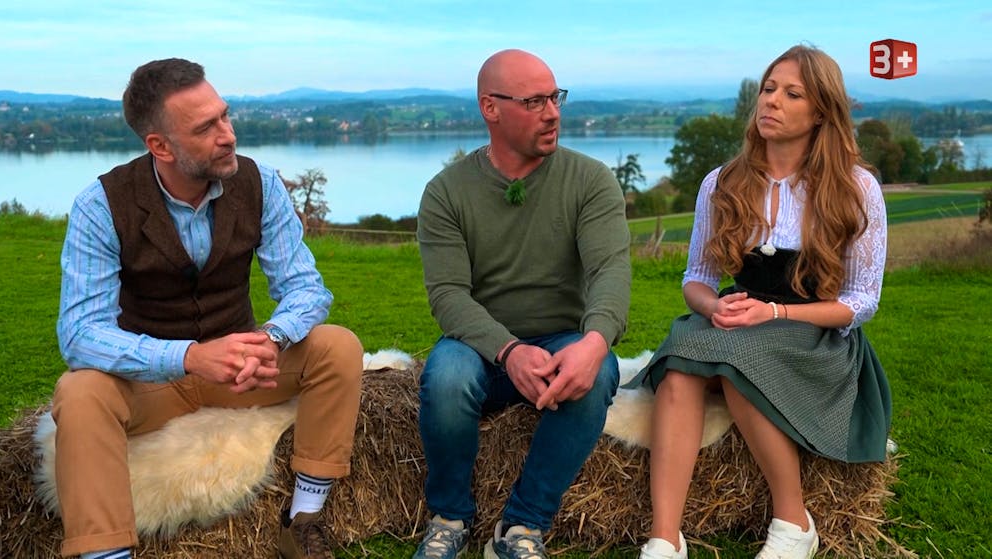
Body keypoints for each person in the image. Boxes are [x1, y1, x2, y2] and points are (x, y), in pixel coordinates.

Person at [52, 58, 364, 559]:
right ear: (160, 146)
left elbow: (306, 288)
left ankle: (303, 519)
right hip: (149, 382)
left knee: (337, 347)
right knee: (80, 391)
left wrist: (271, 339)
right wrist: (189, 357)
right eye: (206, 128)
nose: (228, 135)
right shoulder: (101, 204)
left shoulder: (259, 183)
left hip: (241, 371)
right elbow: (80, 334)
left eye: (225, 116)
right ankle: (105, 553)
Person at [627, 45, 892, 559]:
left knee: (739, 359)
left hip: (811, 330)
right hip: (738, 316)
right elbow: (698, 279)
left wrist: (775, 313)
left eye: (791, 94)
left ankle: (795, 523)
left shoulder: (856, 188)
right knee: (682, 368)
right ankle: (665, 538)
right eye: (769, 89)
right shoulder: (722, 182)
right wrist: (711, 308)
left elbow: (860, 302)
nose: (771, 101)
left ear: (820, 112)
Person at [413, 49, 631, 559]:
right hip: (481, 350)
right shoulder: (446, 193)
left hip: (561, 342)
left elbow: (610, 272)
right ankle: (449, 518)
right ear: (491, 108)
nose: (553, 112)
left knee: (598, 372)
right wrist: (508, 350)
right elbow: (447, 296)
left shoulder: (590, 181)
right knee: (445, 376)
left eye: (555, 97)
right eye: (534, 101)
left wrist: (594, 342)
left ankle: (521, 528)